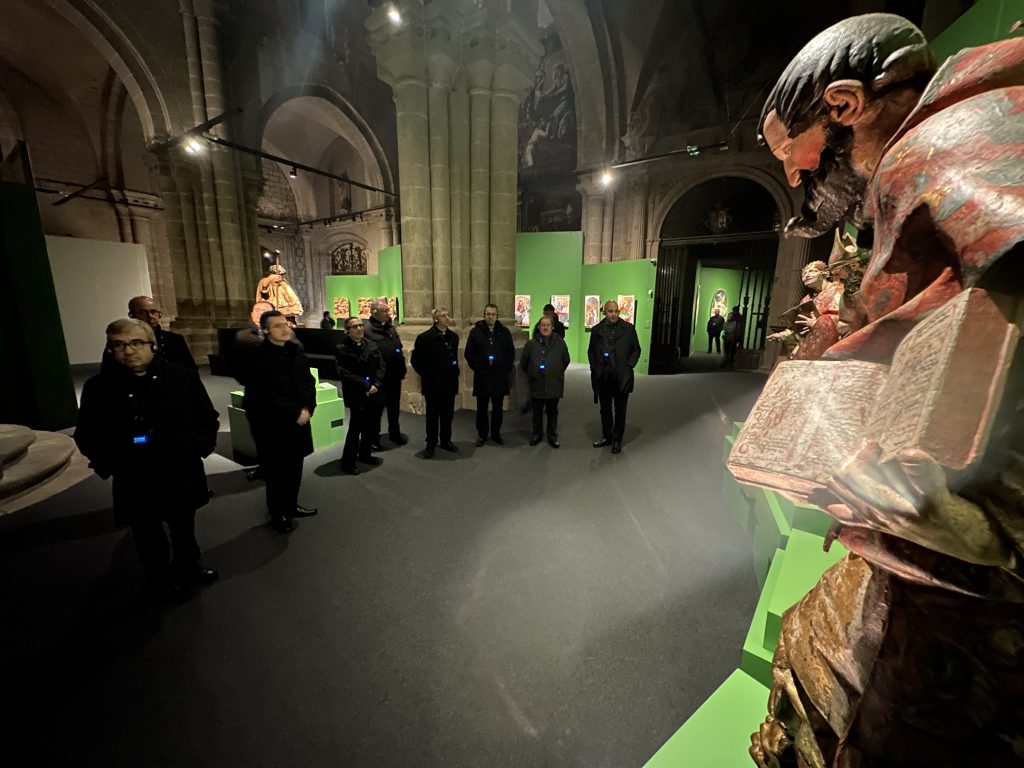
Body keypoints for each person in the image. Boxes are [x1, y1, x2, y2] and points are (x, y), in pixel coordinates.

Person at [749, 14, 1024, 767]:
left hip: (976, 586)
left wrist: (913, 496)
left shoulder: (930, 152)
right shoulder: (981, 123)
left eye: (793, 157)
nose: (797, 180)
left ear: (845, 104)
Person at [75, 318, 219, 603]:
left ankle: (188, 565)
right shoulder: (99, 387)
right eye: (119, 345)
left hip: (179, 466)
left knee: (183, 523)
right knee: (146, 531)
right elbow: (87, 434)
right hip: (134, 473)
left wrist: (198, 447)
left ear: (152, 345)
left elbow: (206, 417)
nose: (128, 351)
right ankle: (161, 580)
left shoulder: (181, 377)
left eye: (136, 343)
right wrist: (110, 463)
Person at [242, 311, 319, 532]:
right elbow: (264, 394)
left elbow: (308, 382)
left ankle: (291, 505)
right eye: (278, 326)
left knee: (295, 466)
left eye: (286, 324)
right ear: (265, 331)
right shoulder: (258, 357)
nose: (285, 329)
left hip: (299, 419)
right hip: (273, 423)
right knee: (277, 470)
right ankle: (278, 512)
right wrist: (295, 412)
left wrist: (308, 407)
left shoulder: (295, 350)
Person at [588, 299, 641, 454]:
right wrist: (595, 367)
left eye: (616, 311)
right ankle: (607, 436)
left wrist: (629, 365)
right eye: (610, 311)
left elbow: (636, 350)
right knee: (605, 409)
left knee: (620, 410)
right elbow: (591, 351)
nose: (614, 314)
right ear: (604, 312)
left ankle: (617, 439)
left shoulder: (628, 329)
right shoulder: (597, 330)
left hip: (621, 376)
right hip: (603, 376)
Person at [334, 316, 385, 475]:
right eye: (355, 326)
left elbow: (381, 366)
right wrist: (366, 385)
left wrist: (376, 384)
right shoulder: (342, 348)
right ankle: (348, 461)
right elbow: (345, 373)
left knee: (370, 426)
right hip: (357, 393)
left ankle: (365, 454)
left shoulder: (371, 344)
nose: (359, 329)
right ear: (347, 330)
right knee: (355, 429)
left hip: (373, 392)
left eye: (361, 325)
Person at [411, 308, 460, 458]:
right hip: (433, 384)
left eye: (448, 315)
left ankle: (446, 440)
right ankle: (431, 444)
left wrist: (455, 372)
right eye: (444, 316)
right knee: (432, 416)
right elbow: (415, 360)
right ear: (435, 319)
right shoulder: (425, 338)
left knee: (448, 415)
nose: (447, 318)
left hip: (449, 383)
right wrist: (428, 374)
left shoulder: (454, 337)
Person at [464, 303, 515, 446]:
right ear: (484, 315)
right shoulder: (476, 332)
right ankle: (482, 434)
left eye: (493, 314)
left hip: (499, 376)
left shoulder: (504, 332)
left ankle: (496, 433)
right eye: (488, 314)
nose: (490, 316)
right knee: (482, 408)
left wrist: (505, 369)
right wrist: (478, 367)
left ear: (497, 316)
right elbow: (469, 353)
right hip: (483, 376)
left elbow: (510, 352)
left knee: (498, 408)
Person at [363, 297, 408, 448]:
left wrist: (401, 367)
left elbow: (398, 347)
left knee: (394, 408)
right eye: (385, 311)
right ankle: (373, 438)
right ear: (374, 312)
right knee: (376, 410)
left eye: (388, 310)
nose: (388, 313)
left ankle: (394, 433)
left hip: (394, 375)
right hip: (378, 378)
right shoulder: (367, 330)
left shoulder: (390, 328)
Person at [520, 315, 570, 448]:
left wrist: (556, 372)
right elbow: (524, 362)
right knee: (537, 412)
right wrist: (533, 373)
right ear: (539, 327)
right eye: (543, 325)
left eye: (548, 325)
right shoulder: (531, 344)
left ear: (552, 327)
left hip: (554, 384)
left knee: (552, 412)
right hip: (537, 383)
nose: (545, 328)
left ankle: (552, 436)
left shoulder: (560, 343)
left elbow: (566, 360)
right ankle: (537, 434)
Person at [127, 295, 197, 370]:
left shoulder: (175, 339)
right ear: (132, 316)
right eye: (143, 312)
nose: (150, 316)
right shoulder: (126, 341)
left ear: (159, 315)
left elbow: (190, 369)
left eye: (153, 312)